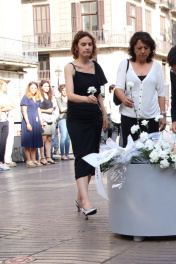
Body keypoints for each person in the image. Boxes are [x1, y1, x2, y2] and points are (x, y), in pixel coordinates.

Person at [64, 31, 109, 218]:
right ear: (76, 47)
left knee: (91, 157)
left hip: (94, 118)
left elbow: (99, 94)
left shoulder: (96, 67)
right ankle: (87, 202)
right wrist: (85, 99)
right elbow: (70, 94)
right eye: (83, 44)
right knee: (81, 155)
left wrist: (105, 114)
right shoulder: (70, 67)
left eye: (90, 44)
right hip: (77, 118)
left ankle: (79, 198)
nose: (87, 47)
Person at [114, 32, 167, 147]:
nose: (143, 51)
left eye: (146, 48)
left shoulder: (157, 66)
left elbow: (161, 92)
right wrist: (123, 99)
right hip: (129, 116)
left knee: (151, 153)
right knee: (130, 152)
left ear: (151, 49)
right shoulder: (125, 64)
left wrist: (162, 115)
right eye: (139, 48)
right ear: (133, 49)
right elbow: (118, 87)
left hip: (151, 117)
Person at [20, 81, 45, 168]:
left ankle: (34, 159)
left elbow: (38, 110)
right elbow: (24, 111)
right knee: (28, 141)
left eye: (35, 88)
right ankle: (28, 160)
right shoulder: (25, 97)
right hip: (29, 120)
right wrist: (27, 123)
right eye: (32, 88)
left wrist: (41, 121)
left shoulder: (37, 98)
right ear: (29, 88)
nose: (33, 90)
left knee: (35, 140)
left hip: (36, 121)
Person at [38, 80, 58, 165]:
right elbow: (38, 108)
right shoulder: (39, 96)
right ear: (41, 87)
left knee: (49, 138)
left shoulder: (51, 96)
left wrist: (54, 117)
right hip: (43, 117)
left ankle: (49, 157)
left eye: (48, 86)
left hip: (51, 118)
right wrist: (46, 111)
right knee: (43, 138)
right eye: (45, 86)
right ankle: (42, 157)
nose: (46, 88)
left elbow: (54, 107)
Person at [0, 79, 15, 171]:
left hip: (5, 120)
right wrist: (4, 107)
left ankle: (1, 162)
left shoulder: (5, 96)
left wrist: (4, 107)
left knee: (3, 142)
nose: (6, 87)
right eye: (4, 85)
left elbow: (12, 105)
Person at [56, 84, 73, 160]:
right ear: (61, 91)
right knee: (63, 136)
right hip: (62, 118)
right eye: (63, 90)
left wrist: (67, 108)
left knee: (68, 137)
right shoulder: (59, 99)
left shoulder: (70, 98)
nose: (64, 92)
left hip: (70, 118)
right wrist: (69, 108)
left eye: (66, 90)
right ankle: (62, 154)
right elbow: (61, 109)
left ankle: (67, 153)